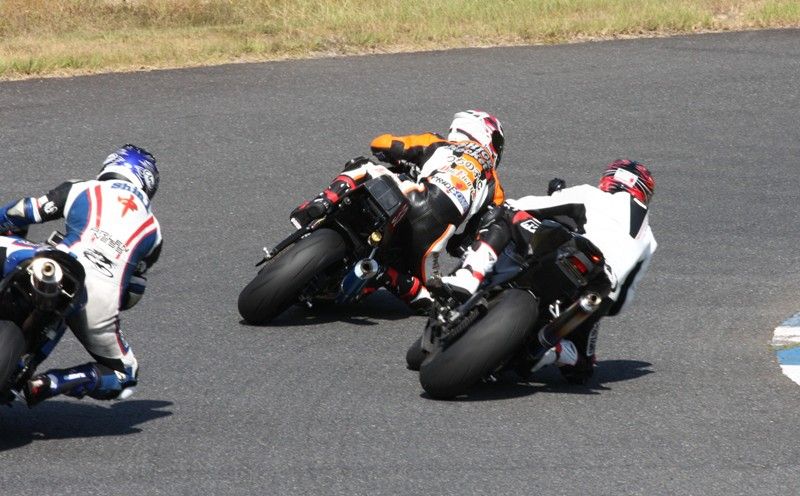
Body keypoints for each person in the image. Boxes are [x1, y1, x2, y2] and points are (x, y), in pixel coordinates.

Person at [439, 159, 657, 383]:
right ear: (643, 192)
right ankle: (556, 350)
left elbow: (532, 205)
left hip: (570, 249)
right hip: (600, 287)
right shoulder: (649, 239)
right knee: (582, 370)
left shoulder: (590, 193)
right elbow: (621, 302)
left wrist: (542, 198)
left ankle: (470, 275)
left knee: (507, 212)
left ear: (609, 179)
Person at [289, 110, 506, 312]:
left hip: (411, 199)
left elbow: (382, 143)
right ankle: (385, 274)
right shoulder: (495, 189)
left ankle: (323, 202)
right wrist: (457, 243)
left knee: (363, 165)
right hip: (433, 240)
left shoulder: (438, 142)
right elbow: (465, 243)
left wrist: (396, 159)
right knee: (432, 301)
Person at [0, 144, 162, 406]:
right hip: (100, 298)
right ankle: (52, 382)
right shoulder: (154, 232)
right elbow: (131, 295)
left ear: (111, 164)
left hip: (50, 260)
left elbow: (24, 211)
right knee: (126, 373)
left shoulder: (85, 188)